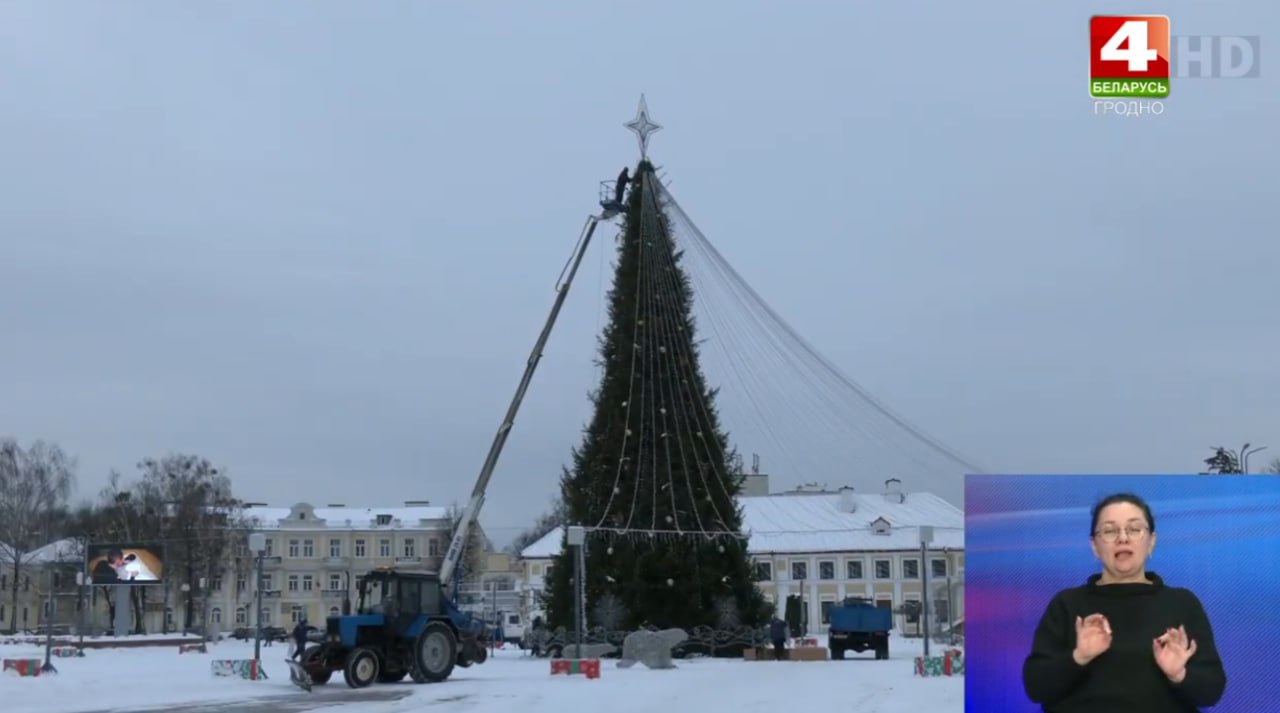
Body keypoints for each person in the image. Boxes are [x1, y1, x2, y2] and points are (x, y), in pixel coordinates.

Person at [1022, 493, 1226, 712]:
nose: (1122, 538)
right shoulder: (1068, 604)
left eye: (1134, 529)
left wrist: (1179, 674)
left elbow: (1211, 692)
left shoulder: (1182, 603)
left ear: (1151, 541)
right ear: (1094, 545)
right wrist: (1079, 656)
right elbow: (1036, 687)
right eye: (1109, 531)